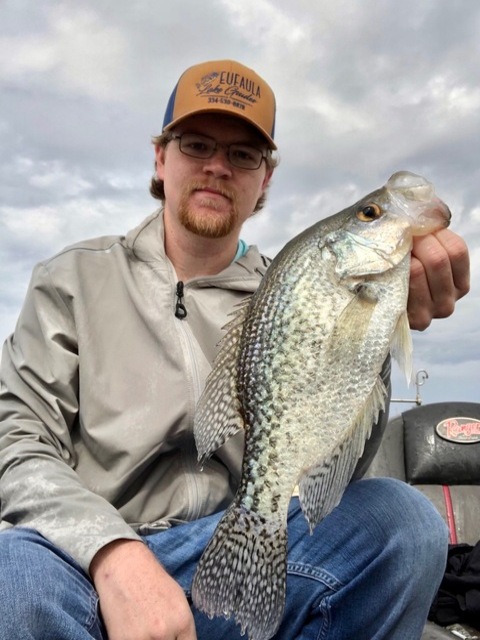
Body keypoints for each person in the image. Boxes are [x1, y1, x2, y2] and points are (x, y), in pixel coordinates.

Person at [0, 59, 470, 640]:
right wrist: (112, 552)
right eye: (197, 144)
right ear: (160, 158)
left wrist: (374, 347)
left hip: (239, 541)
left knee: (404, 524)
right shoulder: (70, 280)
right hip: (86, 563)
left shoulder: (293, 287)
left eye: (243, 154)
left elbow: (334, 458)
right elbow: (18, 445)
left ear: (265, 179)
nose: (218, 166)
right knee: (13, 575)